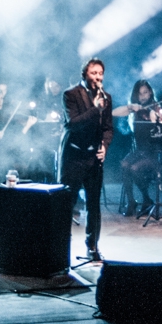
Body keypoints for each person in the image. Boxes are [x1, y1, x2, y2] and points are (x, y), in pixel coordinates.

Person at [60, 59, 113, 260]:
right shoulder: (71, 94)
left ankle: (92, 246)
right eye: (93, 73)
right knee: (68, 202)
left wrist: (104, 146)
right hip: (74, 155)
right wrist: (95, 109)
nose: (97, 77)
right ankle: (61, 246)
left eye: (100, 73)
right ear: (84, 74)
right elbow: (73, 123)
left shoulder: (106, 98)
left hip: (93, 157)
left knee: (94, 204)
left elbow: (108, 128)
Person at [113, 80, 162, 217]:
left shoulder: (156, 108)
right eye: (139, 93)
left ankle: (146, 199)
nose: (143, 96)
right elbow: (114, 112)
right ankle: (131, 201)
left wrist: (153, 116)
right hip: (138, 151)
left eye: (145, 92)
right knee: (124, 165)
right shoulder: (135, 109)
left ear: (150, 93)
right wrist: (131, 107)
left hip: (154, 153)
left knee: (135, 168)